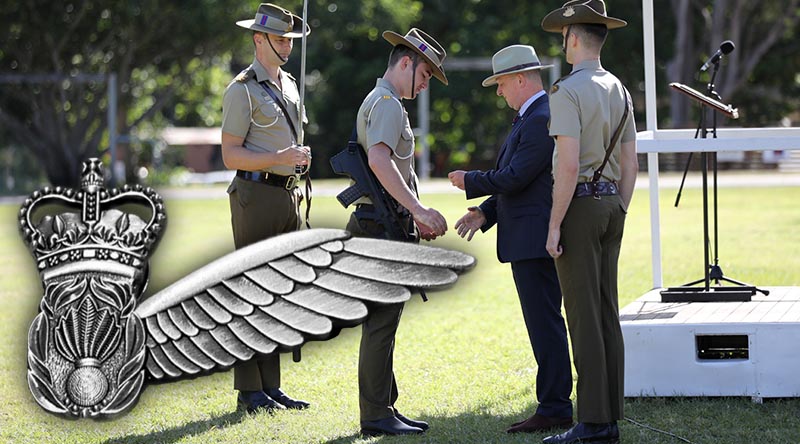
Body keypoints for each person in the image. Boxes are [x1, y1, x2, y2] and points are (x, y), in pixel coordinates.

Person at [448, 44, 574, 435]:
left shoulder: (539, 117)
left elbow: (516, 176)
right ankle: (552, 403)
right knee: (542, 323)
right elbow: (522, 182)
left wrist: (469, 180)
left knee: (545, 324)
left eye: (501, 83)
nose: (499, 92)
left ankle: (554, 407)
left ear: (520, 79)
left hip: (535, 240)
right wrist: (485, 211)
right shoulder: (531, 115)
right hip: (527, 236)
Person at [539, 1, 638, 443]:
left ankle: (593, 424)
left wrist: (555, 224)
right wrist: (620, 206)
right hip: (612, 205)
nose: (563, 42)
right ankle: (609, 415)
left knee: (582, 318)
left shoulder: (567, 90)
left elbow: (568, 163)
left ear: (573, 39)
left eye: (564, 35)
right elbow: (630, 160)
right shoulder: (619, 88)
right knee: (606, 314)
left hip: (579, 207)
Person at [346, 28, 449, 436]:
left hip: (380, 222)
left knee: (383, 320)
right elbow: (379, 161)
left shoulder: (381, 100)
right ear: (406, 62)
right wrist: (419, 210)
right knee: (381, 323)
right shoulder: (388, 104)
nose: (425, 85)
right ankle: (375, 414)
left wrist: (412, 216)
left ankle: (384, 405)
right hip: (380, 225)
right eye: (424, 75)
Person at [221, 3, 312, 414]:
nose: (286, 47)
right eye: (279, 39)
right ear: (258, 40)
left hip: (286, 195)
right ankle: (249, 390)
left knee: (277, 295)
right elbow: (231, 155)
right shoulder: (241, 89)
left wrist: (296, 158)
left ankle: (271, 387)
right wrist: (281, 154)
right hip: (254, 197)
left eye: (289, 39)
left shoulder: (291, 85)